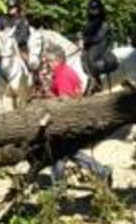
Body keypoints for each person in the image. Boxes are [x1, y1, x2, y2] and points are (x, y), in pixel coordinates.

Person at [43, 49, 111, 188]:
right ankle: (100, 171)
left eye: (49, 61)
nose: (47, 64)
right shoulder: (64, 72)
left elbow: (66, 101)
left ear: (58, 60)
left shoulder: (62, 75)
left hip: (66, 120)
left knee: (59, 152)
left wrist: (49, 98)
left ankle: (59, 187)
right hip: (71, 119)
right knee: (67, 152)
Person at [81, 0, 117, 92]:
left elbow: (99, 37)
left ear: (100, 9)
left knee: (92, 58)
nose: (94, 11)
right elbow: (85, 34)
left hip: (101, 45)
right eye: (92, 9)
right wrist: (84, 40)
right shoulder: (88, 24)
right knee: (83, 56)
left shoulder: (104, 24)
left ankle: (97, 82)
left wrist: (88, 40)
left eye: (96, 9)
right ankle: (90, 78)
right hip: (90, 44)